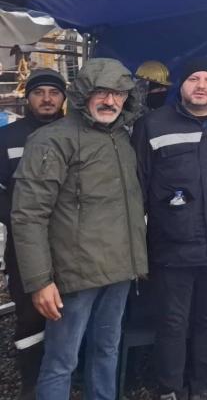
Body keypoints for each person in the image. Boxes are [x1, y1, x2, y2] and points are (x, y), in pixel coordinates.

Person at [12, 58, 147, 400]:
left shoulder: (121, 139)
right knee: (61, 361)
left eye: (117, 93)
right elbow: (28, 214)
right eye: (101, 91)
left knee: (106, 351)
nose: (110, 100)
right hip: (74, 275)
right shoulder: (52, 140)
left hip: (118, 270)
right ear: (84, 93)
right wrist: (39, 280)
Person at [133, 58, 207, 399]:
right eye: (193, 79)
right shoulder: (152, 126)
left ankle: (204, 388)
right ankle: (169, 390)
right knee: (172, 323)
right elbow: (137, 190)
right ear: (180, 87)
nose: (201, 85)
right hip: (173, 247)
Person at [0, 69, 66, 399]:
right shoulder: (8, 138)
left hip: (69, 242)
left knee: (65, 309)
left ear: (64, 99)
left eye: (54, 93)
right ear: (28, 98)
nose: (47, 98)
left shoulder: (75, 134)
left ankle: (63, 376)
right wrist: (17, 219)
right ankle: (31, 380)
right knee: (29, 311)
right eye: (39, 92)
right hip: (23, 244)